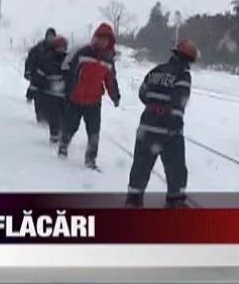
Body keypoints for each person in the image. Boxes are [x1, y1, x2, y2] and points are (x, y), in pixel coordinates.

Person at [126, 39, 199, 208]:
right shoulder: (183, 75)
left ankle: (133, 200)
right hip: (168, 129)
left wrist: (154, 106)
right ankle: (175, 201)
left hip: (146, 125)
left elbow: (142, 94)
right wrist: (173, 126)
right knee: (176, 169)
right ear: (187, 60)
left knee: (141, 165)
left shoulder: (156, 71)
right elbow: (179, 102)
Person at [58, 23, 121, 170]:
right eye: (100, 38)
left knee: (94, 132)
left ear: (110, 41)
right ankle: (63, 145)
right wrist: (68, 91)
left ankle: (90, 160)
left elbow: (110, 80)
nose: (102, 42)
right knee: (71, 126)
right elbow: (70, 72)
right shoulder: (83, 53)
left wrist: (115, 96)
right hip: (76, 98)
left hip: (94, 101)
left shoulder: (109, 60)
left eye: (106, 39)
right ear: (95, 38)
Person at [34, 36, 69, 144]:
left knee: (65, 116)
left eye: (63, 47)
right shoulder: (46, 59)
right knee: (54, 115)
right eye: (59, 47)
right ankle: (54, 136)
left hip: (64, 94)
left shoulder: (68, 60)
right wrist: (42, 87)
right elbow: (39, 76)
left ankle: (64, 135)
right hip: (50, 93)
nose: (61, 50)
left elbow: (72, 74)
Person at [24, 28, 56, 124]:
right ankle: (41, 119)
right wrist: (28, 72)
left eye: (53, 36)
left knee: (51, 101)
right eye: (49, 36)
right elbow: (29, 61)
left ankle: (50, 120)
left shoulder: (57, 49)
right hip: (38, 78)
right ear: (46, 37)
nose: (51, 38)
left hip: (51, 80)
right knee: (39, 98)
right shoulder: (37, 49)